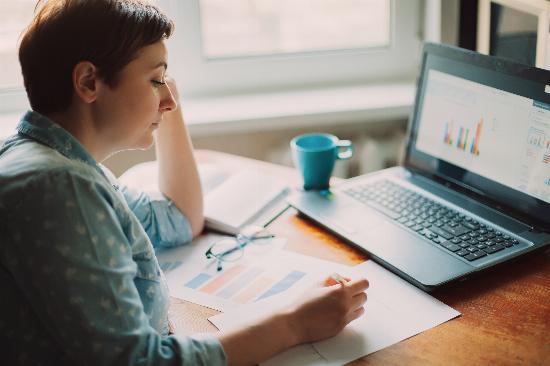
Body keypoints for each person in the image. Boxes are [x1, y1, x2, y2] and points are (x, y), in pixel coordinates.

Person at [0, 1, 369, 365]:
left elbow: (176, 221)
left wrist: (161, 105)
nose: (170, 99)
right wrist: (293, 324)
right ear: (89, 81)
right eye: (156, 80)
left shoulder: (56, 162)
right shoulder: (60, 187)